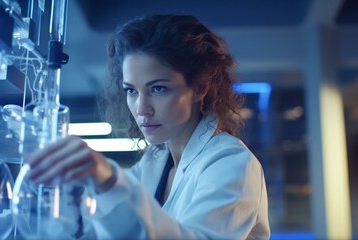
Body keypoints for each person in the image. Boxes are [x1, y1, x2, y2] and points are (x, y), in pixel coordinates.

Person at [26, 14, 270, 239]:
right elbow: (96, 227)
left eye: (158, 89)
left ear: (199, 88)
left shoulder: (232, 163)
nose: (142, 109)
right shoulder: (156, 160)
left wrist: (109, 179)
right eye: (131, 91)